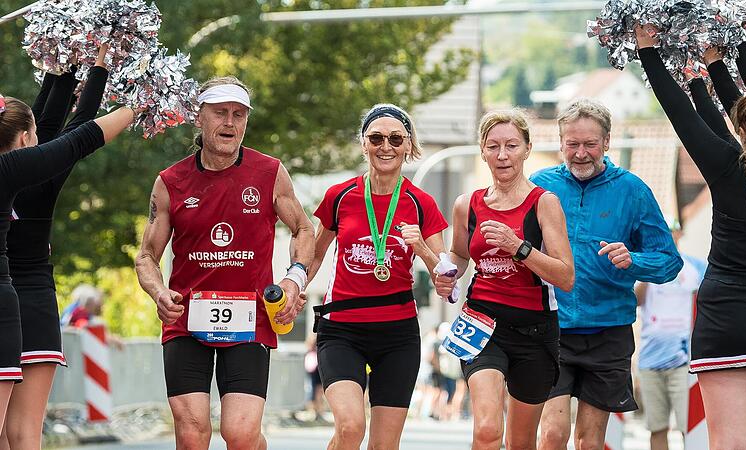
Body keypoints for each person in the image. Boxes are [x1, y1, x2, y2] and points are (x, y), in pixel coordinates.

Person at [636, 26, 746, 450]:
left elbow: (685, 116)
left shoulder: (728, 166)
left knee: (730, 442)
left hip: (728, 318)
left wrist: (652, 51)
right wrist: (725, 58)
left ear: (743, 125)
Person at [134, 76, 314, 450]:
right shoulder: (171, 181)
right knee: (192, 434)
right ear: (198, 119)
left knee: (241, 434)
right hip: (186, 319)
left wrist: (294, 280)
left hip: (251, 319)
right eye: (220, 113)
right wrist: (158, 292)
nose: (230, 123)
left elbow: (303, 228)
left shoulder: (269, 172)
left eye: (238, 114)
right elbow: (147, 256)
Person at [529, 98, 683, 450]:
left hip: (608, 332)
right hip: (552, 326)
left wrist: (635, 260)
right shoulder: (539, 186)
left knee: (590, 440)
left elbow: (670, 261)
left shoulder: (633, 191)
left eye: (590, 144)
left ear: (607, 142)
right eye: (573, 144)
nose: (581, 153)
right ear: (560, 141)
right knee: (552, 434)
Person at [306, 103, 448, 450]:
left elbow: (446, 279)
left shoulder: (420, 203)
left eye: (396, 139)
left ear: (408, 146)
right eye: (377, 138)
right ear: (364, 143)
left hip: (397, 334)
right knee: (351, 427)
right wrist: (295, 286)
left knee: (384, 445)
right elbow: (315, 252)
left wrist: (423, 250)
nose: (386, 146)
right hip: (342, 328)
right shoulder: (340, 196)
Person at [435, 109, 574, 450]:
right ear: (482, 150)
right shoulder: (466, 205)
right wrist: (447, 274)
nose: (502, 155)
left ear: (527, 149)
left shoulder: (545, 204)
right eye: (493, 146)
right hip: (482, 324)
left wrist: (519, 248)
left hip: (535, 331)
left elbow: (565, 276)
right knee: (486, 430)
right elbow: (460, 254)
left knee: (521, 442)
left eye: (511, 145)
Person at [0, 90, 136, 434]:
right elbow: (78, 135)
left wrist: (67, 68)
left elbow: (62, 127)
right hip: (21, 304)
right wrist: (142, 102)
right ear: (23, 138)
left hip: (16, 307)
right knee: (24, 430)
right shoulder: (11, 171)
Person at [635, 217, 707, 450]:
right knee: (656, 427)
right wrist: (647, 273)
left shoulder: (694, 267)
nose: (669, 234)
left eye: (673, 229)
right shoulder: (646, 265)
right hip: (650, 359)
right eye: (665, 230)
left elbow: (710, 301)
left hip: (683, 360)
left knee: (689, 426)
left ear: (680, 233)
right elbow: (636, 300)